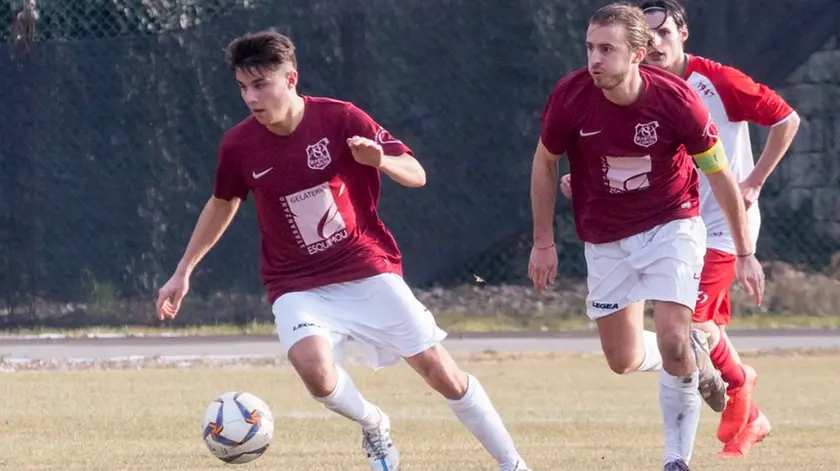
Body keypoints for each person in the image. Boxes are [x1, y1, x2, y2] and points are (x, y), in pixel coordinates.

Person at [155, 30, 531, 471]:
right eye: (242, 87)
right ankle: (373, 424)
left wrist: (381, 161)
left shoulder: (340, 118)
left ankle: (512, 464)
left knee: (440, 372)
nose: (250, 98)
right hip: (295, 283)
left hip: (365, 267)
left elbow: (416, 173)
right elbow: (223, 203)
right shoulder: (238, 144)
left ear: (290, 78)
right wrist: (184, 270)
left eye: (260, 85)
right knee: (315, 371)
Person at [528, 3, 766, 470]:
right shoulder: (571, 95)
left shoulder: (677, 99)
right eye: (590, 48)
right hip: (604, 237)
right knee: (623, 359)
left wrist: (745, 251)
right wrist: (543, 240)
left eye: (607, 49)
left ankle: (675, 460)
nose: (595, 59)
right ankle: (692, 354)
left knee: (674, 337)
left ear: (638, 54)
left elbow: (719, 173)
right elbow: (545, 163)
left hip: (671, 225)